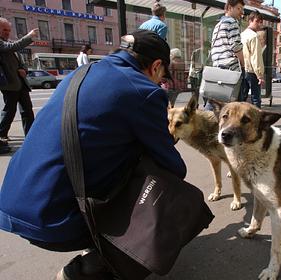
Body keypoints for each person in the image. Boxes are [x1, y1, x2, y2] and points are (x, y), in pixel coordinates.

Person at [0, 29, 186, 280]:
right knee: (171, 193)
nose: (160, 81)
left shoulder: (79, 73)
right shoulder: (144, 90)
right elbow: (174, 167)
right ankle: (90, 269)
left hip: (14, 201)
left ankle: (99, 242)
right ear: (155, 66)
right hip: (55, 221)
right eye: (162, 75)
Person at [0, 17, 37, 149]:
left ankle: (31, 136)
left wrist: (24, 70)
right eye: (4, 30)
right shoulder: (3, 44)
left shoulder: (7, 42)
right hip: (9, 84)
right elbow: (13, 47)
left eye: (9, 30)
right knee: (9, 111)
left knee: (27, 110)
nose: (7, 32)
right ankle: (0, 135)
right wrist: (28, 37)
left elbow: (20, 62)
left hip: (20, 83)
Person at [205, 0, 245, 110]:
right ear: (229, 8)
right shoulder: (232, 22)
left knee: (215, 102)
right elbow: (236, 47)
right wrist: (243, 64)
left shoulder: (218, 25)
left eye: (242, 9)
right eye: (238, 8)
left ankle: (206, 122)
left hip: (219, 66)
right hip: (230, 68)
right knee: (234, 105)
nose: (241, 12)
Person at [240, 11, 265, 108]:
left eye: (260, 22)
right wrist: (260, 75)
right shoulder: (254, 36)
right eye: (257, 21)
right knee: (256, 99)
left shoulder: (242, 35)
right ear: (250, 21)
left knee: (242, 98)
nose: (259, 24)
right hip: (252, 71)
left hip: (242, 69)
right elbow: (256, 57)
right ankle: (257, 121)